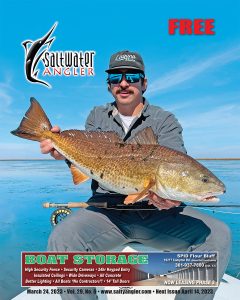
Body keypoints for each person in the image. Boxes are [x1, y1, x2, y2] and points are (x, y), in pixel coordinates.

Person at [40, 50, 231, 300]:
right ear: (108, 85)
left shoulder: (165, 120)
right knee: (62, 240)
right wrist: (62, 152)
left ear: (144, 82)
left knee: (219, 237)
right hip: (106, 213)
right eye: (115, 77)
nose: (123, 83)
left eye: (132, 76)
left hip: (160, 216)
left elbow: (175, 161)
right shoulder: (97, 116)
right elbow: (89, 163)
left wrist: (171, 198)